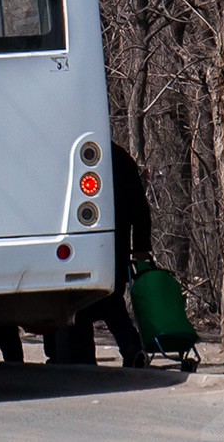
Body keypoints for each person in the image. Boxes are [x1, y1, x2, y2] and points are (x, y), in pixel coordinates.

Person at [49, 141, 152, 366]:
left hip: (76, 246)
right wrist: (141, 248)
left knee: (79, 303)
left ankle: (82, 358)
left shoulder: (67, 155)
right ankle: (131, 348)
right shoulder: (120, 158)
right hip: (115, 247)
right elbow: (140, 209)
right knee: (111, 301)